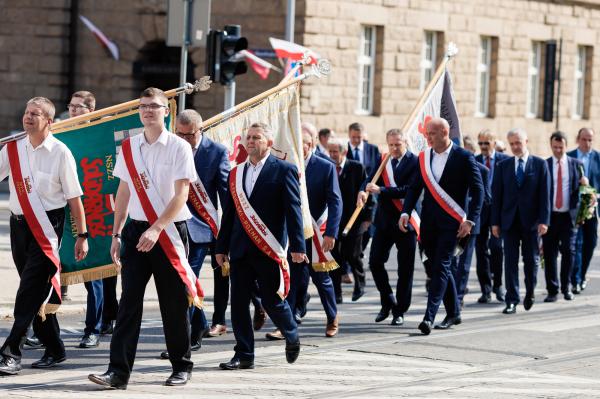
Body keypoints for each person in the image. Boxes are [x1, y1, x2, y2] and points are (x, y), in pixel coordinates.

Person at [88, 88, 200, 389]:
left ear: (167, 111)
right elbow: (123, 191)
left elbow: (181, 196)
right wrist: (116, 232)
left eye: (154, 106)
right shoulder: (128, 147)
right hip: (136, 231)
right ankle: (118, 372)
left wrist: (157, 228)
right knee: (129, 303)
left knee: (173, 302)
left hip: (169, 231)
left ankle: (181, 365)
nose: (148, 111)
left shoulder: (179, 147)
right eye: (143, 106)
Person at [0, 97, 89, 375]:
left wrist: (82, 234)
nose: (28, 117)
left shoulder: (61, 152)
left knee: (28, 290)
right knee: (37, 290)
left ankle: (12, 351)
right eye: (27, 112)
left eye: (35, 114)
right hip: (18, 226)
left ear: (48, 121)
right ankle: (55, 347)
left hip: (48, 226)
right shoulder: (12, 148)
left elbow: (75, 198)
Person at [215, 122, 305, 370]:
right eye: (248, 138)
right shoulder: (235, 173)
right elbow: (230, 214)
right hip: (240, 249)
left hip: (268, 247)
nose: (251, 142)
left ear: (269, 142)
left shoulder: (284, 169)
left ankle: (291, 333)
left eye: (256, 137)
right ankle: (244, 354)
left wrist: (298, 247)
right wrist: (221, 247)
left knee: (272, 300)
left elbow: (293, 210)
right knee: (239, 304)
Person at [399, 117, 483, 335]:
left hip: (453, 223)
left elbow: (478, 191)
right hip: (429, 224)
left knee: (441, 267)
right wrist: (406, 212)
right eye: (427, 133)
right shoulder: (424, 157)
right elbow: (414, 187)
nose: (427, 137)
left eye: (431, 134)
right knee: (434, 266)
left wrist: (470, 220)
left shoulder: (464, 157)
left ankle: (429, 317)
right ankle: (454, 311)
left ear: (445, 133)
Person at [159, 109, 230, 359]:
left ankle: (183, 341)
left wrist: (226, 234)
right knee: (182, 283)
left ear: (200, 130)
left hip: (205, 226)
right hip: (176, 226)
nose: (184, 139)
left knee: (187, 283)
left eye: (189, 135)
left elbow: (225, 195)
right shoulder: (171, 147)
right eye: (179, 133)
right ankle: (196, 326)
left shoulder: (217, 152)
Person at [268, 130, 342, 339]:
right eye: (299, 143)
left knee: (321, 279)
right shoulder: (286, 164)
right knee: (291, 279)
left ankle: (332, 317)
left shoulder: (325, 166)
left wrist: (331, 232)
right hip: (292, 232)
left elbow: (336, 201)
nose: (303, 147)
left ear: (313, 144)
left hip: (316, 231)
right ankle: (287, 325)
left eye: (306, 143)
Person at [358, 129, 418, 326]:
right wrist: (362, 190)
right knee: (375, 262)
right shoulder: (385, 160)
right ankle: (388, 300)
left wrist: (382, 190)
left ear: (405, 143)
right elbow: (371, 179)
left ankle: (400, 310)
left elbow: (409, 190)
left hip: (405, 222)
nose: (394, 148)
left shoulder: (415, 162)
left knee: (405, 269)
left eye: (398, 144)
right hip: (384, 221)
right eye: (391, 144)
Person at [491, 128, 550, 314]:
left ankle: (530, 292)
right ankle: (511, 299)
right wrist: (495, 223)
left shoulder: (540, 165)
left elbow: (545, 196)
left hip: (532, 222)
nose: (515, 147)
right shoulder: (503, 166)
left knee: (531, 261)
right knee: (509, 262)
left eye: (519, 143)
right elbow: (497, 196)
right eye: (512, 144)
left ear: (526, 141)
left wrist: (544, 221)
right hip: (509, 222)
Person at [328, 138, 372, 303]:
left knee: (352, 255)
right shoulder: (328, 167)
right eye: (330, 151)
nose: (332, 155)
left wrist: (367, 218)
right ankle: (336, 293)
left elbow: (366, 192)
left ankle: (359, 285)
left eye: (335, 152)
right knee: (334, 258)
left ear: (344, 152)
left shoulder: (356, 167)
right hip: (334, 220)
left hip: (355, 219)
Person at [543, 131, 582, 302]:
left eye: (561, 147)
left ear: (566, 146)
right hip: (550, 216)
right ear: (551, 146)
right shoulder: (544, 165)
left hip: (568, 216)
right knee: (549, 253)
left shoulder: (576, 164)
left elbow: (585, 190)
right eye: (555, 147)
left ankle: (566, 288)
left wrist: (585, 183)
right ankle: (552, 290)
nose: (558, 150)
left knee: (569, 251)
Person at [474, 129, 510, 303]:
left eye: (486, 143)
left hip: (499, 210)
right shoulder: (474, 160)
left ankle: (498, 285)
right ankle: (485, 289)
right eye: (480, 143)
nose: (483, 147)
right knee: (480, 250)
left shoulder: (505, 161)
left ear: (494, 144)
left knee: (496, 247)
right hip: (480, 211)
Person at [568, 127, 600, 293]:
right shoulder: (570, 157)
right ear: (578, 139)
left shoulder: (598, 158)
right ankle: (576, 279)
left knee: (591, 242)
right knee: (577, 243)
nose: (587, 143)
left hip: (592, 209)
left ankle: (582, 273)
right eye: (584, 139)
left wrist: (596, 195)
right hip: (575, 208)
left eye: (590, 140)